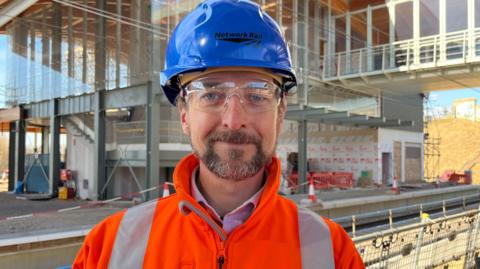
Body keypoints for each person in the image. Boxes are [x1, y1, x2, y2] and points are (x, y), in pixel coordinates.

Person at [72, 0, 365, 268]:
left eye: (257, 94)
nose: (233, 120)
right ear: (184, 114)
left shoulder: (334, 253)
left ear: (280, 112)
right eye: (211, 94)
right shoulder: (107, 249)